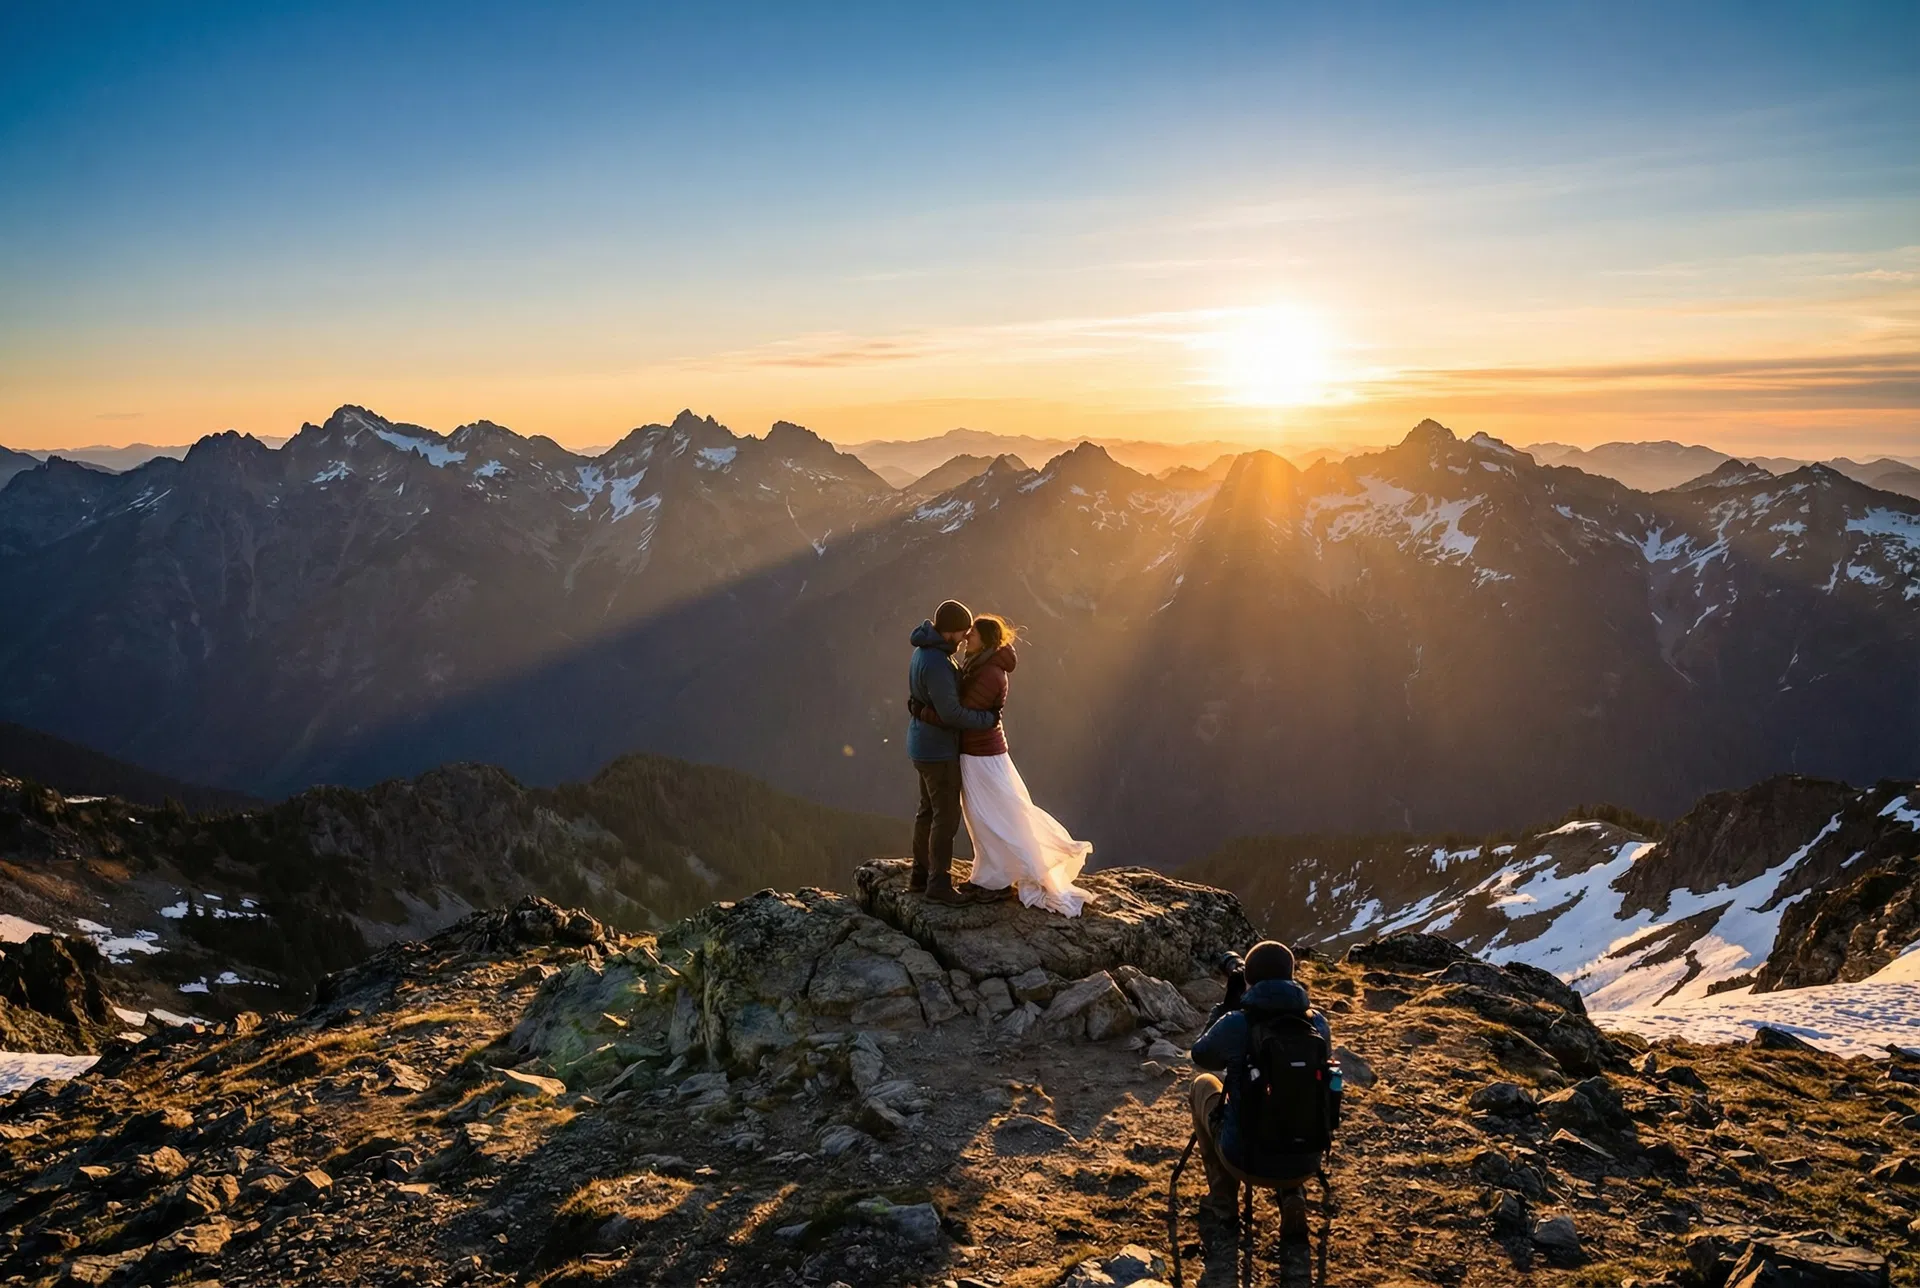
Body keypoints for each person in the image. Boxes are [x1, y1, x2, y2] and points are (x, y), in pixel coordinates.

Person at [1187, 940, 1341, 1247]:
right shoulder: (1317, 1023)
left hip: (1245, 1159)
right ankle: (1293, 1195)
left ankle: (1224, 1208)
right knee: (1291, 1093)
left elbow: (1201, 1055)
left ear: (1249, 980)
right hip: (1307, 1160)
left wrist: (1224, 1007)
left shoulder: (1237, 1023)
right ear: (1291, 976)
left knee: (1202, 1085)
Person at [945, 613, 1093, 916]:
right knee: (991, 814)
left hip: (980, 754)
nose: (967, 636)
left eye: (972, 632)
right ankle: (990, 875)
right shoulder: (986, 665)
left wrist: (928, 711)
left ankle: (995, 880)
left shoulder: (988, 672)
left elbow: (964, 711)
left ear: (985, 639)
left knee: (988, 815)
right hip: (981, 752)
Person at [906, 600, 1001, 904]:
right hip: (938, 750)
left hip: (922, 745)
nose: (964, 638)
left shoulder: (923, 652)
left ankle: (920, 876)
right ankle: (938, 883)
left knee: (927, 812)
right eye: (962, 632)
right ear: (948, 632)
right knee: (945, 817)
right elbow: (952, 714)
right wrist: (987, 719)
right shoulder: (937, 663)